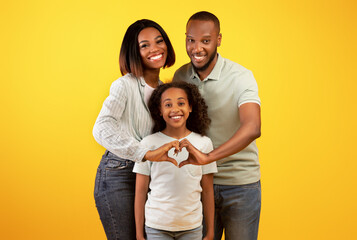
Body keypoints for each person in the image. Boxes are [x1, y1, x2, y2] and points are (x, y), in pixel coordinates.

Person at [173, 11, 262, 240]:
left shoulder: (241, 76)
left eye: (205, 41)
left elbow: (252, 127)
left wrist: (208, 157)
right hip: (197, 185)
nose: (196, 48)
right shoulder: (181, 75)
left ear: (218, 40)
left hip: (240, 184)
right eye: (190, 40)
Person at [93, 19, 179, 240]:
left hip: (151, 176)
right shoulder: (125, 85)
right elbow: (101, 127)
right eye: (145, 45)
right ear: (134, 52)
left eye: (159, 41)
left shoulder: (165, 91)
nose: (155, 49)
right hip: (119, 174)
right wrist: (144, 153)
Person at [133, 81, 217, 240]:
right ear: (160, 110)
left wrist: (210, 231)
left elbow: (207, 190)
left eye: (181, 103)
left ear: (190, 107)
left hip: (192, 227)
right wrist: (139, 234)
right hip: (156, 226)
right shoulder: (148, 144)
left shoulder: (204, 143)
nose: (175, 109)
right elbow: (140, 191)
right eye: (168, 104)